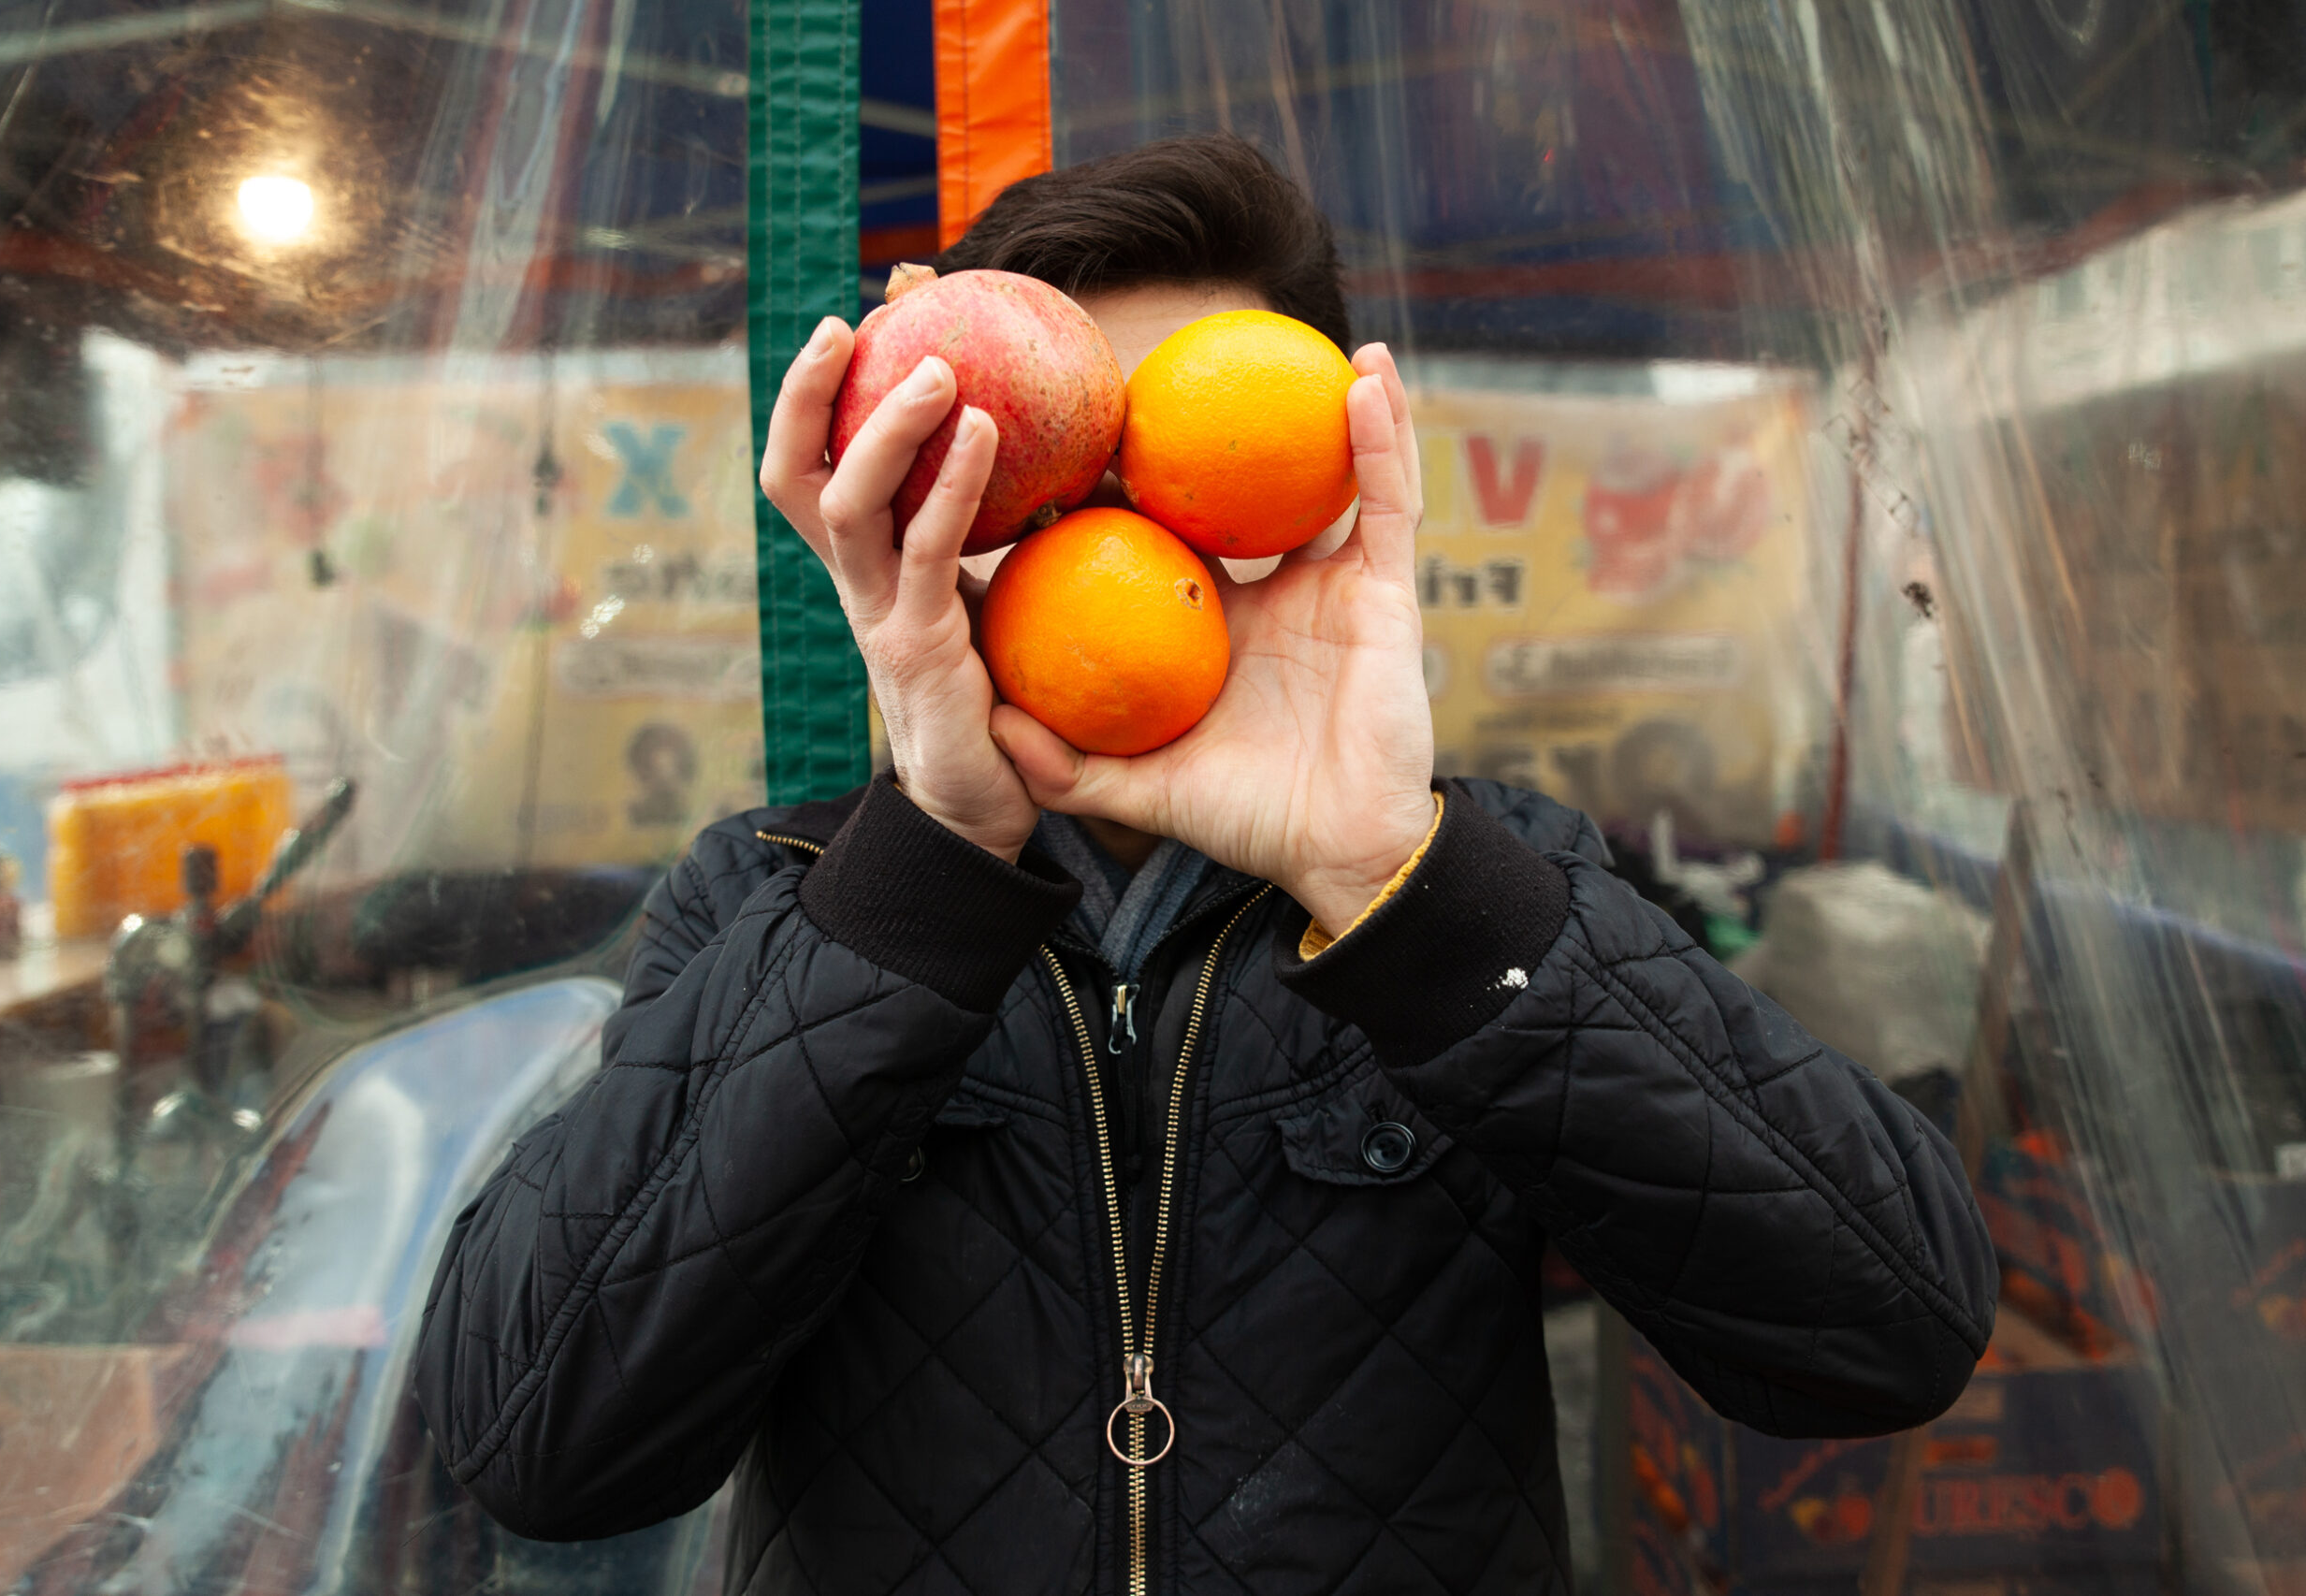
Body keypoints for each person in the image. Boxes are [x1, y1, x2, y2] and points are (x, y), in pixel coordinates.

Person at [415, 135, 1996, 1593]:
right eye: (1054, 468)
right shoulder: (782, 897)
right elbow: (540, 1444)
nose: (1121, 528)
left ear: (1307, 480)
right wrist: (929, 866)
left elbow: (1889, 1333)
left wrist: (1399, 878)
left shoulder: (1476, 879)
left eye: (1182, 457)